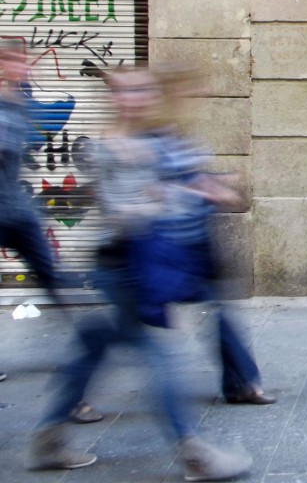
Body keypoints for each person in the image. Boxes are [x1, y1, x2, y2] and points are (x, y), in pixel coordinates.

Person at [28, 66, 252, 480]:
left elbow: (179, 186)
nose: (138, 99)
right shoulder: (107, 150)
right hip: (122, 266)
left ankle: (49, 436)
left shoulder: (156, 140)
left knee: (95, 344)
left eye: (144, 91)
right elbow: (117, 214)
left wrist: (201, 189)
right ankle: (194, 451)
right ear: (115, 99)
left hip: (147, 264)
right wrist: (166, 199)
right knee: (162, 354)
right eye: (128, 92)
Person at [152, 63, 275, 406]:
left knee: (219, 312)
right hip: (163, 246)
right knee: (118, 332)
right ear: (171, 94)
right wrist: (206, 192)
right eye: (189, 91)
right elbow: (154, 188)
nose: (197, 98)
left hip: (192, 242)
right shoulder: (151, 137)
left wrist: (216, 183)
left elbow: (186, 178)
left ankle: (241, 384)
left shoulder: (178, 134)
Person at [0, 42, 60, 388]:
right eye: (15, 61)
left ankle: (81, 350)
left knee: (51, 275)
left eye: (24, 61)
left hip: (18, 212)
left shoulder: (18, 101)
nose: (24, 67)